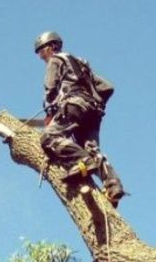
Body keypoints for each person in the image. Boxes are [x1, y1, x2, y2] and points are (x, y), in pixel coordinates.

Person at [34, 31, 125, 206]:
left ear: (51, 47)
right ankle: (113, 186)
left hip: (74, 105)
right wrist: (95, 104)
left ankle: (82, 161)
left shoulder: (56, 60)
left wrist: (50, 113)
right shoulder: (82, 64)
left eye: (41, 51)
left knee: (48, 137)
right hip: (93, 112)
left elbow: (50, 89)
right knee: (92, 148)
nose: (41, 57)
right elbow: (107, 88)